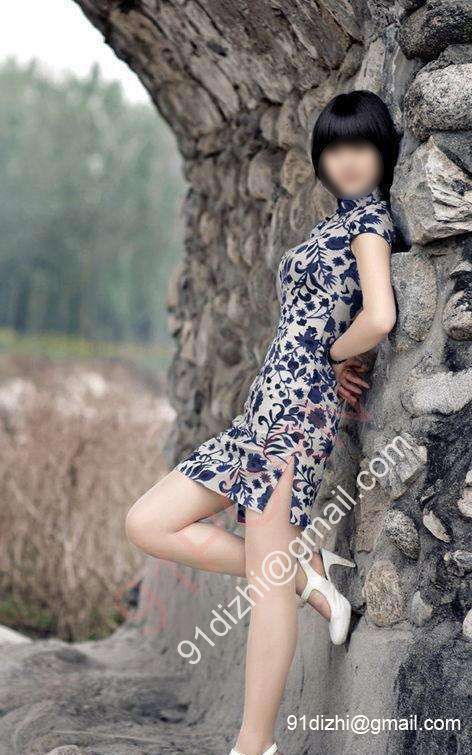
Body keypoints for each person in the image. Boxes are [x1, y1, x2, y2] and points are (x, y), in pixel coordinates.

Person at [125, 89, 400, 755]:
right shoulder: (335, 224)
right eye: (334, 149)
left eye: (361, 146)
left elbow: (380, 316)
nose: (347, 160)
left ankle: (254, 745)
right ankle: (306, 571)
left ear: (383, 151)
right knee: (148, 522)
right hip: (263, 408)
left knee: (263, 579)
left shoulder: (370, 224)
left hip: (299, 414)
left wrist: (334, 355)